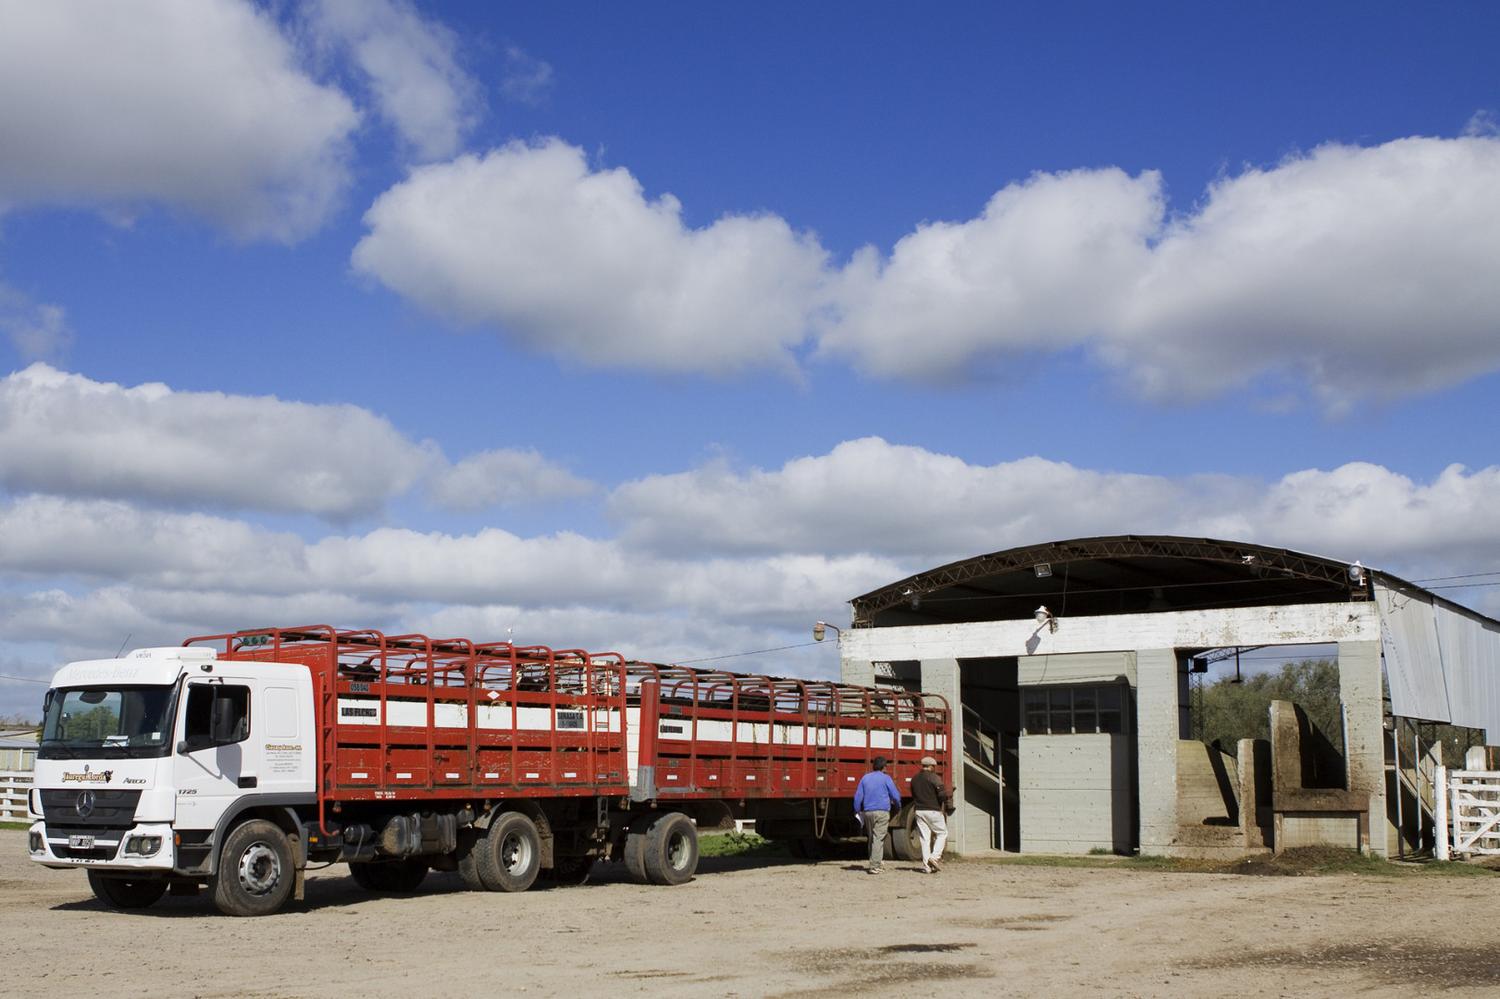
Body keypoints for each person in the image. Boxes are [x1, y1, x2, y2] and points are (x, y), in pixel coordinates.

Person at [852, 755, 901, 874]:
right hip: (882, 811)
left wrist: (857, 810)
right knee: (878, 838)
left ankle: (874, 860)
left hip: (868, 812)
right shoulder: (886, 778)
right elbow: (895, 795)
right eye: (886, 767)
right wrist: (898, 806)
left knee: (871, 838)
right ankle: (875, 865)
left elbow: (858, 797)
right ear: (884, 767)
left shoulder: (865, 778)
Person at [909, 755, 951, 873]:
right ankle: (934, 857)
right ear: (932, 766)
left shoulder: (914, 779)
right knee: (942, 833)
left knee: (924, 838)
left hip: (919, 810)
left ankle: (926, 867)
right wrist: (943, 803)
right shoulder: (934, 778)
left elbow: (913, 794)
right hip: (933, 810)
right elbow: (942, 794)